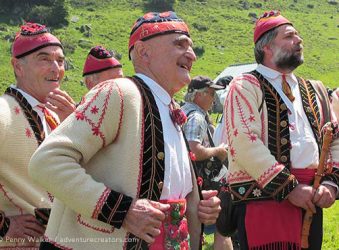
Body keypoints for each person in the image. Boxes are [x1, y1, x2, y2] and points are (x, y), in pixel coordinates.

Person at [29, 11, 221, 250]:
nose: (191, 55)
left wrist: (197, 208)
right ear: (143, 52)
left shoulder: (170, 108)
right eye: (180, 44)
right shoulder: (119, 93)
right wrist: (123, 211)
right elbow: (47, 162)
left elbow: (170, 190)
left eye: (191, 47)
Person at [223, 10, 339, 250]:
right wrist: (289, 188)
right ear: (267, 47)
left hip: (311, 199)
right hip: (264, 201)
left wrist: (331, 184)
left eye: (297, 35)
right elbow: (245, 141)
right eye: (289, 36)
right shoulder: (245, 85)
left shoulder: (314, 89)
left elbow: (334, 137)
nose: (299, 40)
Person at [0, 22, 76, 248]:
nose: (56, 68)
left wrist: (73, 125)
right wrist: (4, 226)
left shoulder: (57, 114)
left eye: (60, 61)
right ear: (18, 67)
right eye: (44, 59)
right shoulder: (3, 111)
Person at [181, 76, 233, 250]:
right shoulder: (196, 116)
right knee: (222, 227)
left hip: (191, 183)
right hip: (201, 183)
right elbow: (194, 150)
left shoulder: (187, 111)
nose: (213, 98)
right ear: (198, 95)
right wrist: (218, 151)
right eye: (210, 93)